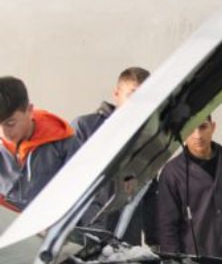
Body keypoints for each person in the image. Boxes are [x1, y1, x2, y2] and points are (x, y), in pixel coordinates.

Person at [156, 115, 222, 260]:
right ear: (181, 133)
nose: (198, 135)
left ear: (213, 127)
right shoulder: (172, 173)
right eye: (191, 129)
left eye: (203, 127)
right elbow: (167, 227)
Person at [71, 66, 151, 245]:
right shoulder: (85, 128)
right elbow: (69, 185)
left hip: (127, 241)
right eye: (132, 94)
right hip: (86, 235)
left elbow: (149, 191)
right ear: (116, 93)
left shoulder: (148, 139)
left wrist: (155, 240)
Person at [0, 76, 79, 211]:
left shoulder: (63, 145)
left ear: (30, 111)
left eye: (10, 123)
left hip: (52, 228)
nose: (4, 134)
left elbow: (85, 200)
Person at [72, 66, 149, 143]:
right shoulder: (84, 126)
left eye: (144, 96)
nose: (138, 102)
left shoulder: (154, 133)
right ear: (116, 94)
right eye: (132, 95)